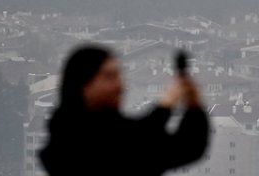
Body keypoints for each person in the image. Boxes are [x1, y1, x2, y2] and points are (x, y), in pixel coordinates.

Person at [38, 45, 210, 176]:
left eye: (119, 76)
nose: (120, 85)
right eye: (109, 77)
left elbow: (187, 148)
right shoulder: (69, 136)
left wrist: (193, 106)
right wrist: (165, 106)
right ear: (83, 85)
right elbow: (126, 148)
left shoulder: (117, 129)